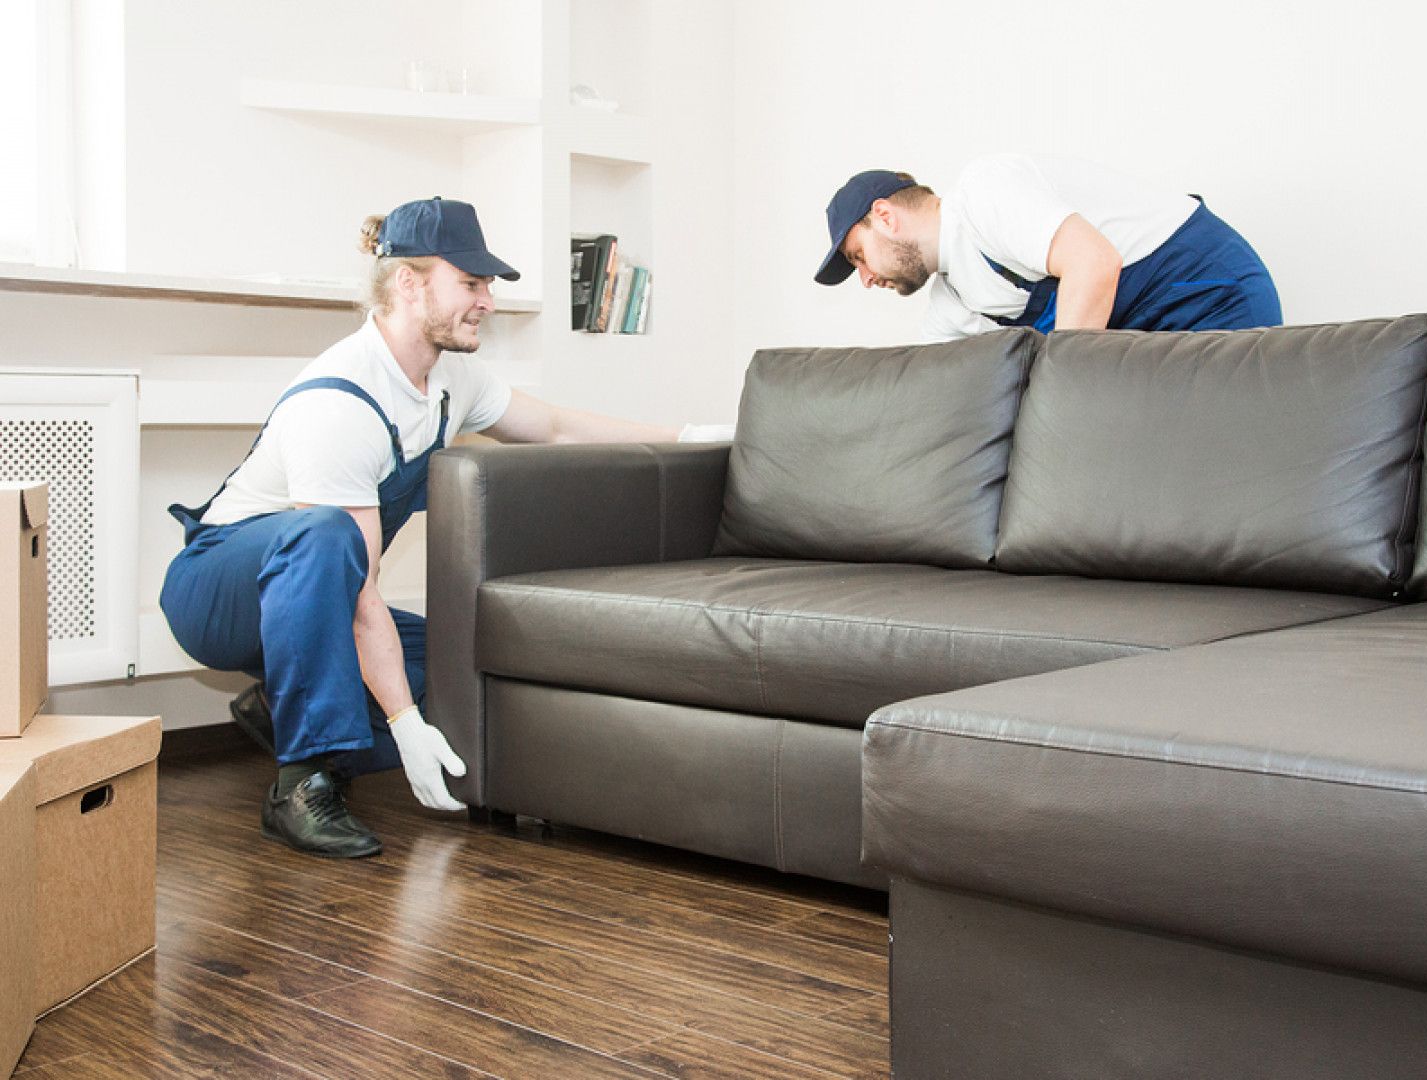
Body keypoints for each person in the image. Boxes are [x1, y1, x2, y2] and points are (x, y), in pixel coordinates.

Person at [160, 196, 728, 858]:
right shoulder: (339, 402)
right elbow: (361, 595)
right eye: (471, 282)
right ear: (409, 282)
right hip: (218, 591)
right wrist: (401, 721)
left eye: (488, 284)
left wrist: (687, 438)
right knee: (327, 538)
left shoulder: (450, 376)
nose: (488, 300)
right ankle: (300, 782)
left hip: (311, 601)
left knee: (461, 666)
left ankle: (280, 710)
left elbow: (553, 428)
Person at [815, 153, 1282, 340]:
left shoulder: (983, 193)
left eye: (858, 256)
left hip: (1205, 290)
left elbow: (1093, 263)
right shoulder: (949, 308)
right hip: (1136, 338)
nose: (866, 278)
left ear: (886, 217)